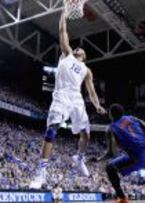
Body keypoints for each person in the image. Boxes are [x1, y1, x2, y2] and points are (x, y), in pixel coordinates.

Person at [35, 11, 106, 187]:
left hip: (77, 100)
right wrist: (64, 14)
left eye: (80, 49)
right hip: (61, 97)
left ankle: (79, 158)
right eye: (76, 48)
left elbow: (91, 91)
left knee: (86, 134)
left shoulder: (86, 70)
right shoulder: (67, 54)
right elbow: (62, 31)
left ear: (84, 56)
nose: (77, 48)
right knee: (52, 130)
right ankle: (41, 172)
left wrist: (97, 105)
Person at [101, 103, 145, 203]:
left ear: (110, 114)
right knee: (119, 162)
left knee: (110, 168)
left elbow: (112, 153)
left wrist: (99, 159)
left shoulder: (111, 129)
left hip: (139, 158)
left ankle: (122, 198)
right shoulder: (132, 118)